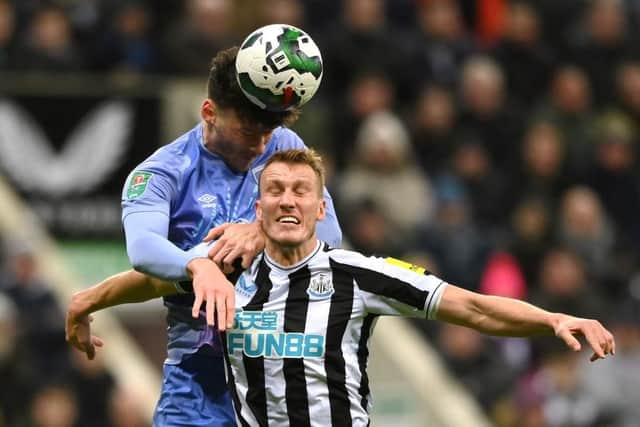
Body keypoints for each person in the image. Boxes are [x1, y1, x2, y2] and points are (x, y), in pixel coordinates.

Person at [68, 149, 615, 426]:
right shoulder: (225, 267)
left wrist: (552, 320)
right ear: (257, 208)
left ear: (320, 207)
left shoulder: (360, 273)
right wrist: (87, 300)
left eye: (301, 191)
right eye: (276, 190)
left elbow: (471, 307)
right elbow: (152, 278)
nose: (288, 200)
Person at [101, 46, 341, 426]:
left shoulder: (286, 147)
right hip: (200, 386)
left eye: (268, 132)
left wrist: (262, 233)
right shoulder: (164, 173)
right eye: (248, 131)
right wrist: (197, 265)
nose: (261, 145)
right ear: (209, 112)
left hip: (282, 382)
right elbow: (143, 249)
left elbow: (331, 234)